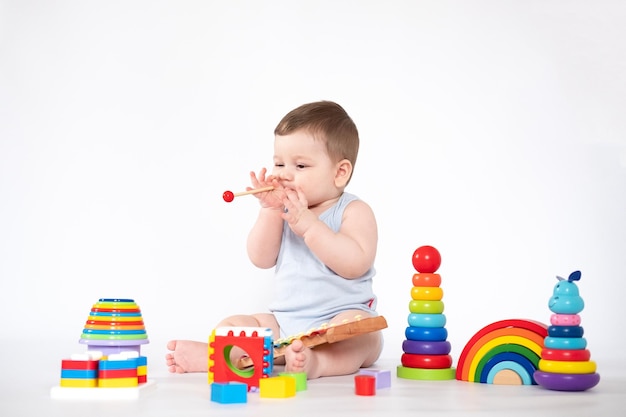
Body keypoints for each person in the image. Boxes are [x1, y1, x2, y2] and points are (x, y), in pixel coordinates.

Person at [165, 100, 382, 379]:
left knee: (365, 335)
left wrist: (309, 226)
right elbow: (260, 258)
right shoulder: (283, 211)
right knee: (235, 324)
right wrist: (269, 211)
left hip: (340, 321)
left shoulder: (353, 211)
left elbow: (355, 264)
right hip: (286, 325)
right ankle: (218, 354)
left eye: (300, 165)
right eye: (279, 163)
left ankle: (317, 363)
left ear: (340, 173)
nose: (283, 173)